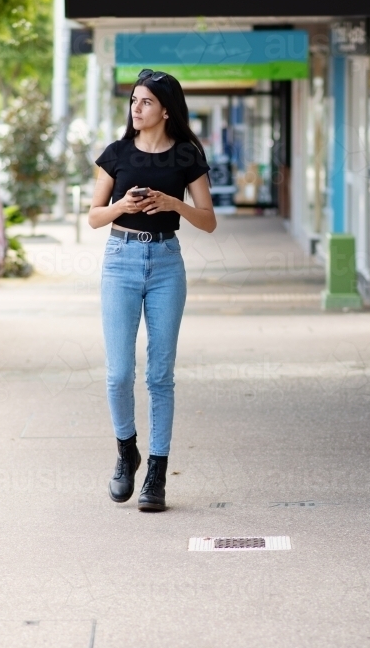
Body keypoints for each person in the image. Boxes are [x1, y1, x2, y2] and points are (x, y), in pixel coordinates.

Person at [88, 69, 217, 512]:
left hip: (166, 263)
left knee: (160, 375)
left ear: (165, 109)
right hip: (120, 261)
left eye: (144, 102)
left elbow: (208, 220)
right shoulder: (116, 153)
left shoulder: (187, 155)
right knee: (119, 372)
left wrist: (173, 203)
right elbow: (93, 216)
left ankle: (157, 474)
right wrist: (122, 206)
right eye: (133, 101)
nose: (136, 109)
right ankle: (127, 452)